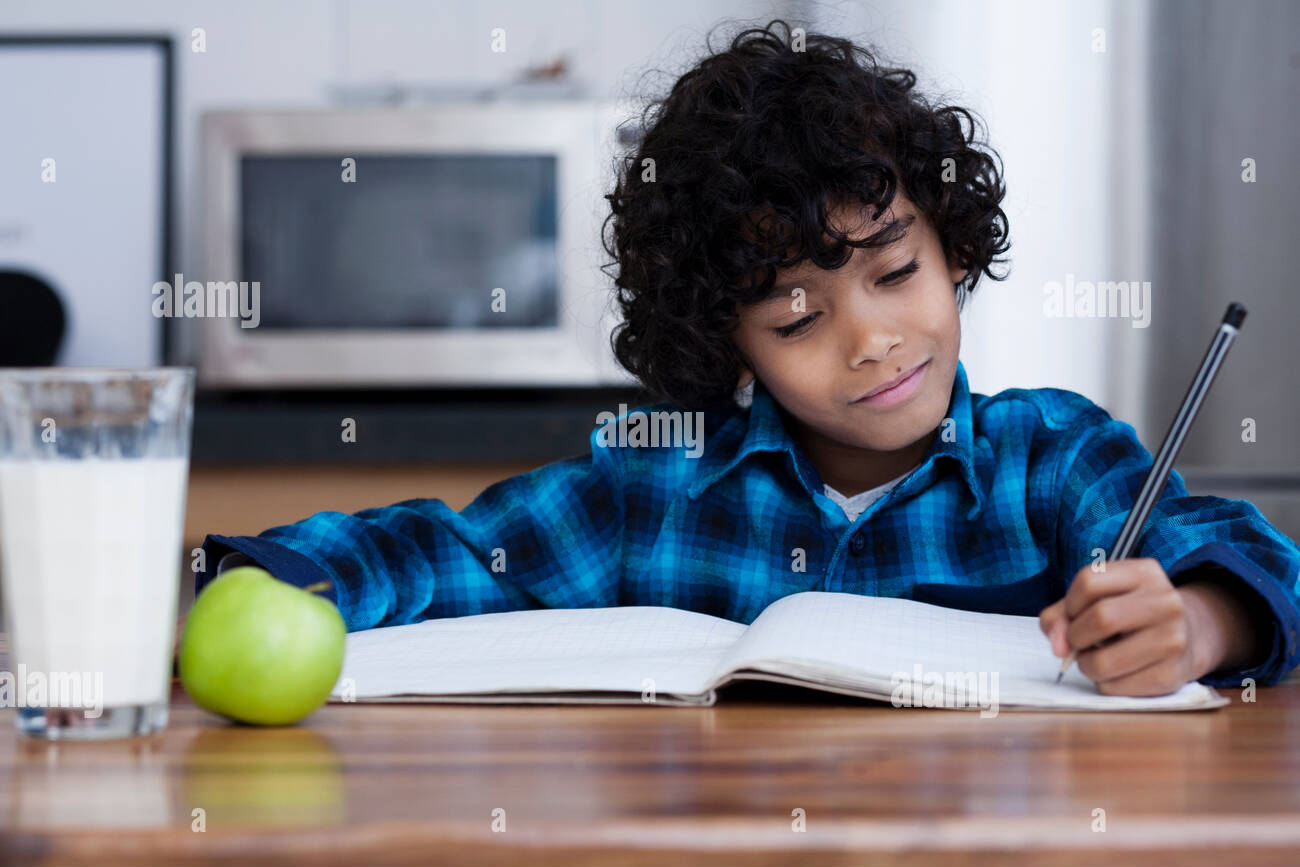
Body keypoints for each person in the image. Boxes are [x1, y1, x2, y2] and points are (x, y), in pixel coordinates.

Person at [189, 20, 1300, 696]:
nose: (870, 340)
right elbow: (445, 549)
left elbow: (1243, 558)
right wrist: (255, 577)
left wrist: (1201, 622)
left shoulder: (1054, 460)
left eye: (893, 271)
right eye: (795, 318)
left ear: (952, 249)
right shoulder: (651, 487)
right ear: (724, 339)